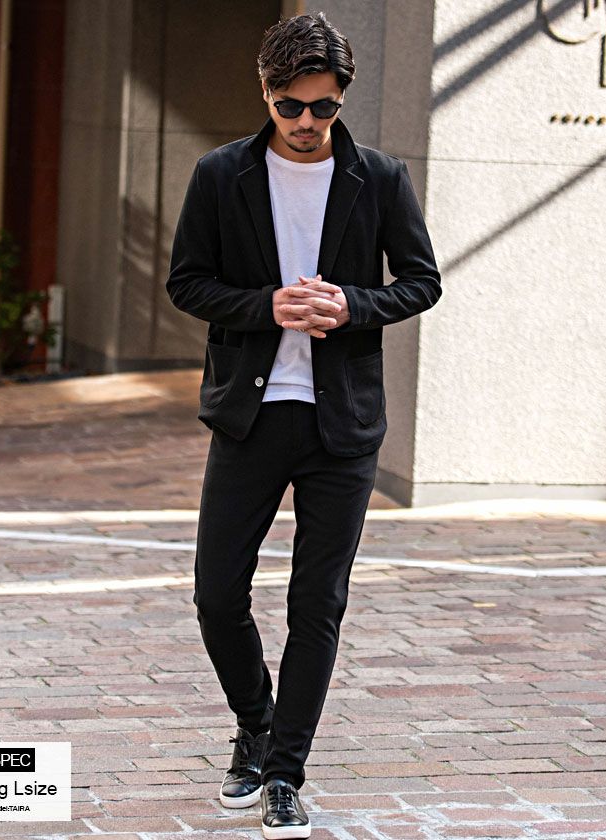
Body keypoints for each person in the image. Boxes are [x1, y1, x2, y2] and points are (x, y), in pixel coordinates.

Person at [167, 12, 441, 839]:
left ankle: (285, 772)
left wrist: (352, 305)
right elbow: (188, 282)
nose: (307, 122)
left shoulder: (379, 177)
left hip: (341, 424)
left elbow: (421, 281)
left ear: (341, 99)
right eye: (291, 106)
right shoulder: (221, 175)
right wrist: (269, 307)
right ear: (265, 92)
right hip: (250, 416)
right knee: (217, 594)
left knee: (316, 605)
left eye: (323, 107)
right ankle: (255, 724)